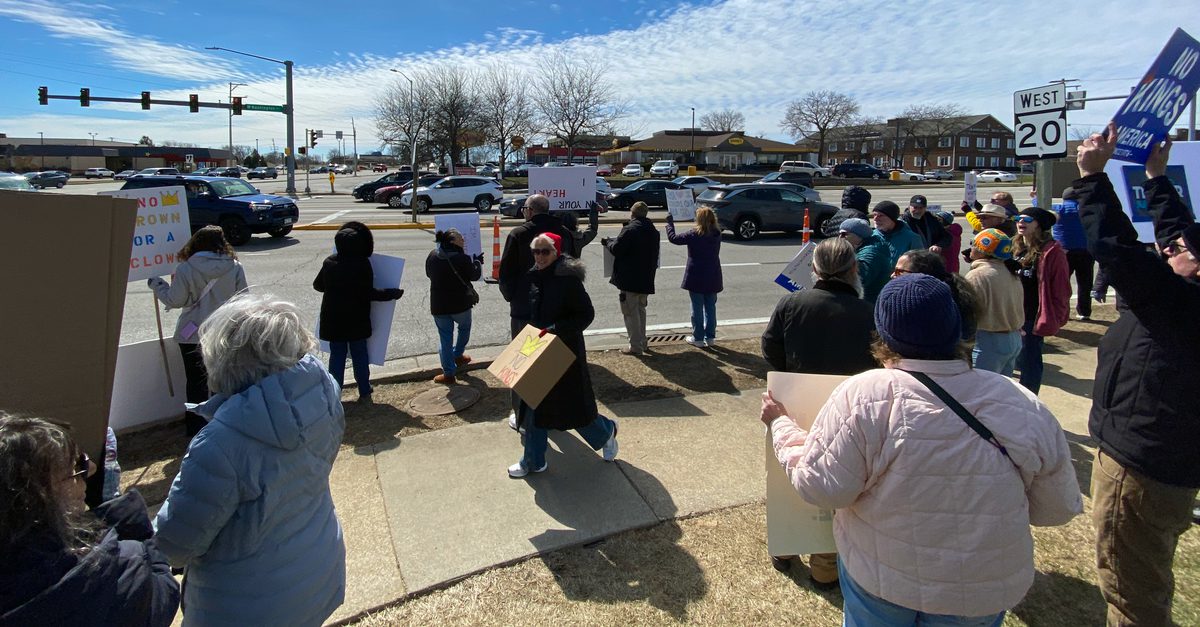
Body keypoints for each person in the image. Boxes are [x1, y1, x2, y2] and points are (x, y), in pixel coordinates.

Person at [762, 273, 1081, 626]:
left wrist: (781, 425)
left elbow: (822, 486)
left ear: (883, 332)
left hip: (884, 581)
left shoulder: (865, 395)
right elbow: (1057, 508)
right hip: (982, 590)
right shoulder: (1021, 401)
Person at [153, 293, 346, 627]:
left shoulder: (222, 444)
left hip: (245, 603)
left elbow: (173, 546)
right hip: (317, 564)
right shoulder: (323, 393)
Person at [1075, 127, 1200, 625]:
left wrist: (1091, 177)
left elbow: (1117, 248)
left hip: (1142, 468)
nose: (1168, 249)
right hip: (1164, 458)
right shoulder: (1184, 287)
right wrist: (1156, 177)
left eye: (1180, 252)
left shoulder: (1180, 305)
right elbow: (1177, 234)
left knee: (1133, 595)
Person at [760, 237, 875, 588]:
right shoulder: (869, 311)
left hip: (794, 404)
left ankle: (785, 548)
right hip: (850, 409)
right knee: (840, 485)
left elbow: (770, 346)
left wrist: (790, 378)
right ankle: (825, 565)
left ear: (814, 269)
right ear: (854, 270)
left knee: (788, 474)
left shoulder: (792, 302)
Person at [0, 414, 180, 626]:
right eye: (74, 469)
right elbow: (161, 593)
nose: (91, 468)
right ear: (36, 496)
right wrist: (137, 532)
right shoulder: (108, 572)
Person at [508, 233, 619, 478]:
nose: (539, 256)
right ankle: (534, 461)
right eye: (536, 251)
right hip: (538, 347)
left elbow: (585, 315)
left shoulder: (568, 280)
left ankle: (606, 432)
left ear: (556, 252)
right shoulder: (536, 277)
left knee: (572, 409)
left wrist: (557, 328)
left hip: (564, 351)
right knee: (534, 405)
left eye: (544, 251)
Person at [147, 225, 247, 437]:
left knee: (195, 382)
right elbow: (244, 300)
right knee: (223, 380)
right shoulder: (235, 266)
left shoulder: (186, 268)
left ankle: (195, 428)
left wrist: (158, 285)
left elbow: (175, 300)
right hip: (224, 331)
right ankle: (224, 423)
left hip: (192, 333)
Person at [498, 194, 574, 428]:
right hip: (556, 310)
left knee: (521, 364)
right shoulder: (565, 233)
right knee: (550, 366)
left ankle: (521, 415)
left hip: (524, 310)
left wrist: (512, 297)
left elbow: (506, 273)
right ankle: (552, 414)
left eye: (524, 209)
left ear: (530, 211)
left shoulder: (519, 234)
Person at [313, 221, 403, 403]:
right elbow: (368, 293)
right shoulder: (362, 264)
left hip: (333, 319)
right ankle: (364, 388)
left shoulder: (330, 262)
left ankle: (335, 393)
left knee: (336, 357)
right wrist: (391, 293)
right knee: (360, 355)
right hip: (356, 319)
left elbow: (318, 285)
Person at [1012, 207, 1070, 395]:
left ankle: (1028, 401)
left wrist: (1057, 315)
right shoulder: (1016, 245)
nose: (1021, 222)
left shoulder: (1052, 251)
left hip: (1032, 315)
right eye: (1018, 218)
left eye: (1027, 219)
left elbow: (1061, 288)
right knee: (1016, 359)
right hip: (1012, 313)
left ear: (1039, 225)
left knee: (1030, 360)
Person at [425, 228, 483, 384]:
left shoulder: (432, 256)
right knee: (464, 328)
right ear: (452, 242)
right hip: (460, 305)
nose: (463, 240)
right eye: (460, 238)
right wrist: (477, 262)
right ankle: (458, 354)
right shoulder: (462, 259)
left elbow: (428, 274)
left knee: (445, 338)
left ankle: (449, 373)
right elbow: (474, 275)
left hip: (439, 305)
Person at [603, 201, 660, 355]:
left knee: (630, 312)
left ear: (632, 213)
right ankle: (642, 342)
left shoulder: (630, 230)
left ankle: (635, 346)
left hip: (629, 278)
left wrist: (608, 242)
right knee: (641, 310)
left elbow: (617, 249)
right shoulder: (654, 231)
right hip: (646, 277)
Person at [964, 228, 1023, 375]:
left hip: (989, 340)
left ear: (982, 250)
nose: (970, 247)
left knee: (981, 391)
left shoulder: (978, 275)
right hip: (1013, 338)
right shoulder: (1010, 272)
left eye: (973, 244)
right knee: (1001, 390)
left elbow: (968, 311)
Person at [666, 206, 723, 347]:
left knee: (697, 307)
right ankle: (710, 337)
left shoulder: (694, 234)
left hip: (696, 273)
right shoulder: (717, 233)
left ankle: (698, 337)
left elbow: (674, 239)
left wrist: (670, 224)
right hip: (713, 273)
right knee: (710, 307)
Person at [892, 249, 978, 341]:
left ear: (920, 274)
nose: (893, 275)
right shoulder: (941, 293)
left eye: (899, 271)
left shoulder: (936, 304)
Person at [1052, 187, 1095, 321]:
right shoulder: (1085, 210)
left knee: (1061, 283)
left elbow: (1040, 204)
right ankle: (1084, 311)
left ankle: (1063, 311)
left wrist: (1034, 196)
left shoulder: (1057, 209)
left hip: (1064, 251)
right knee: (1085, 282)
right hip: (1085, 250)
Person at [838, 218, 891, 304]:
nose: (840, 238)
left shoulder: (871, 254)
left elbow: (859, 279)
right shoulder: (864, 247)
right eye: (839, 234)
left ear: (858, 235)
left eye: (844, 234)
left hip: (871, 304)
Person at [871, 200, 924, 267]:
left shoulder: (912, 238)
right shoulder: (870, 236)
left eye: (880, 215)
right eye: (874, 215)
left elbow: (920, 265)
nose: (875, 219)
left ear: (892, 218)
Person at [932, 209, 962, 274]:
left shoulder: (947, 236)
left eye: (939, 220)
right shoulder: (955, 232)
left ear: (945, 222)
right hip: (954, 266)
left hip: (946, 268)